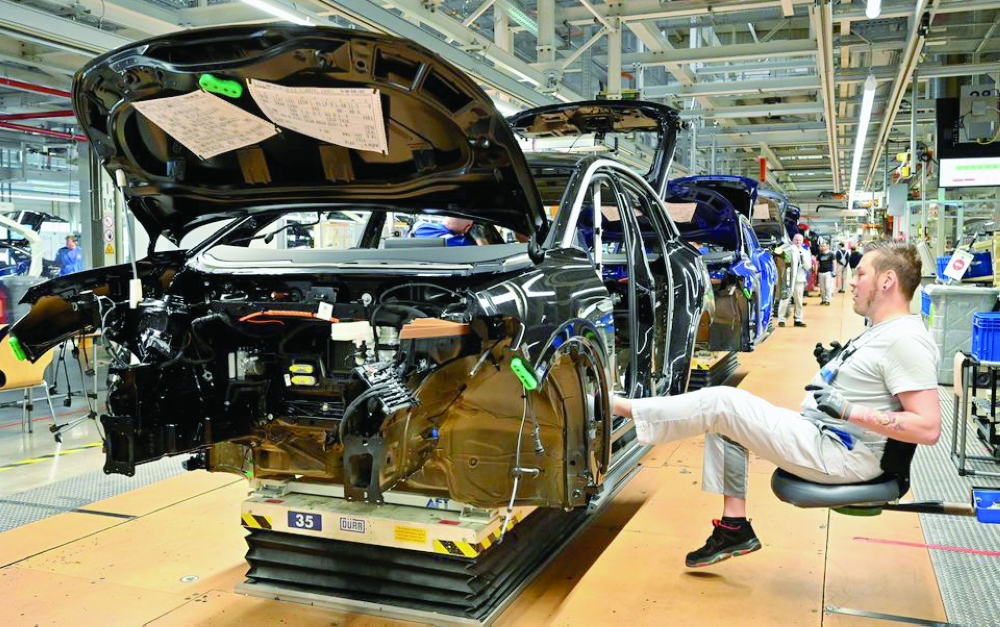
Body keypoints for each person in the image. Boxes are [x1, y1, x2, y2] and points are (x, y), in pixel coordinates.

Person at [612, 241, 939, 568]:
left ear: (887, 281)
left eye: (861, 274)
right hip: (826, 437)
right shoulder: (883, 331)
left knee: (722, 403)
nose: (852, 282)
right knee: (727, 423)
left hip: (843, 454)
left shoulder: (905, 341)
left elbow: (927, 427)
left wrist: (849, 410)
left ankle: (624, 409)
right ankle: (733, 527)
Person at [777, 233, 809, 327]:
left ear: (802, 242)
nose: (798, 242)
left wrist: (803, 261)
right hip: (788, 280)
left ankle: (798, 319)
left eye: (800, 240)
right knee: (785, 299)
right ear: (793, 240)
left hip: (799, 280)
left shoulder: (805, 252)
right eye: (796, 240)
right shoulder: (786, 250)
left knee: (799, 301)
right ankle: (781, 319)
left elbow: (808, 267)